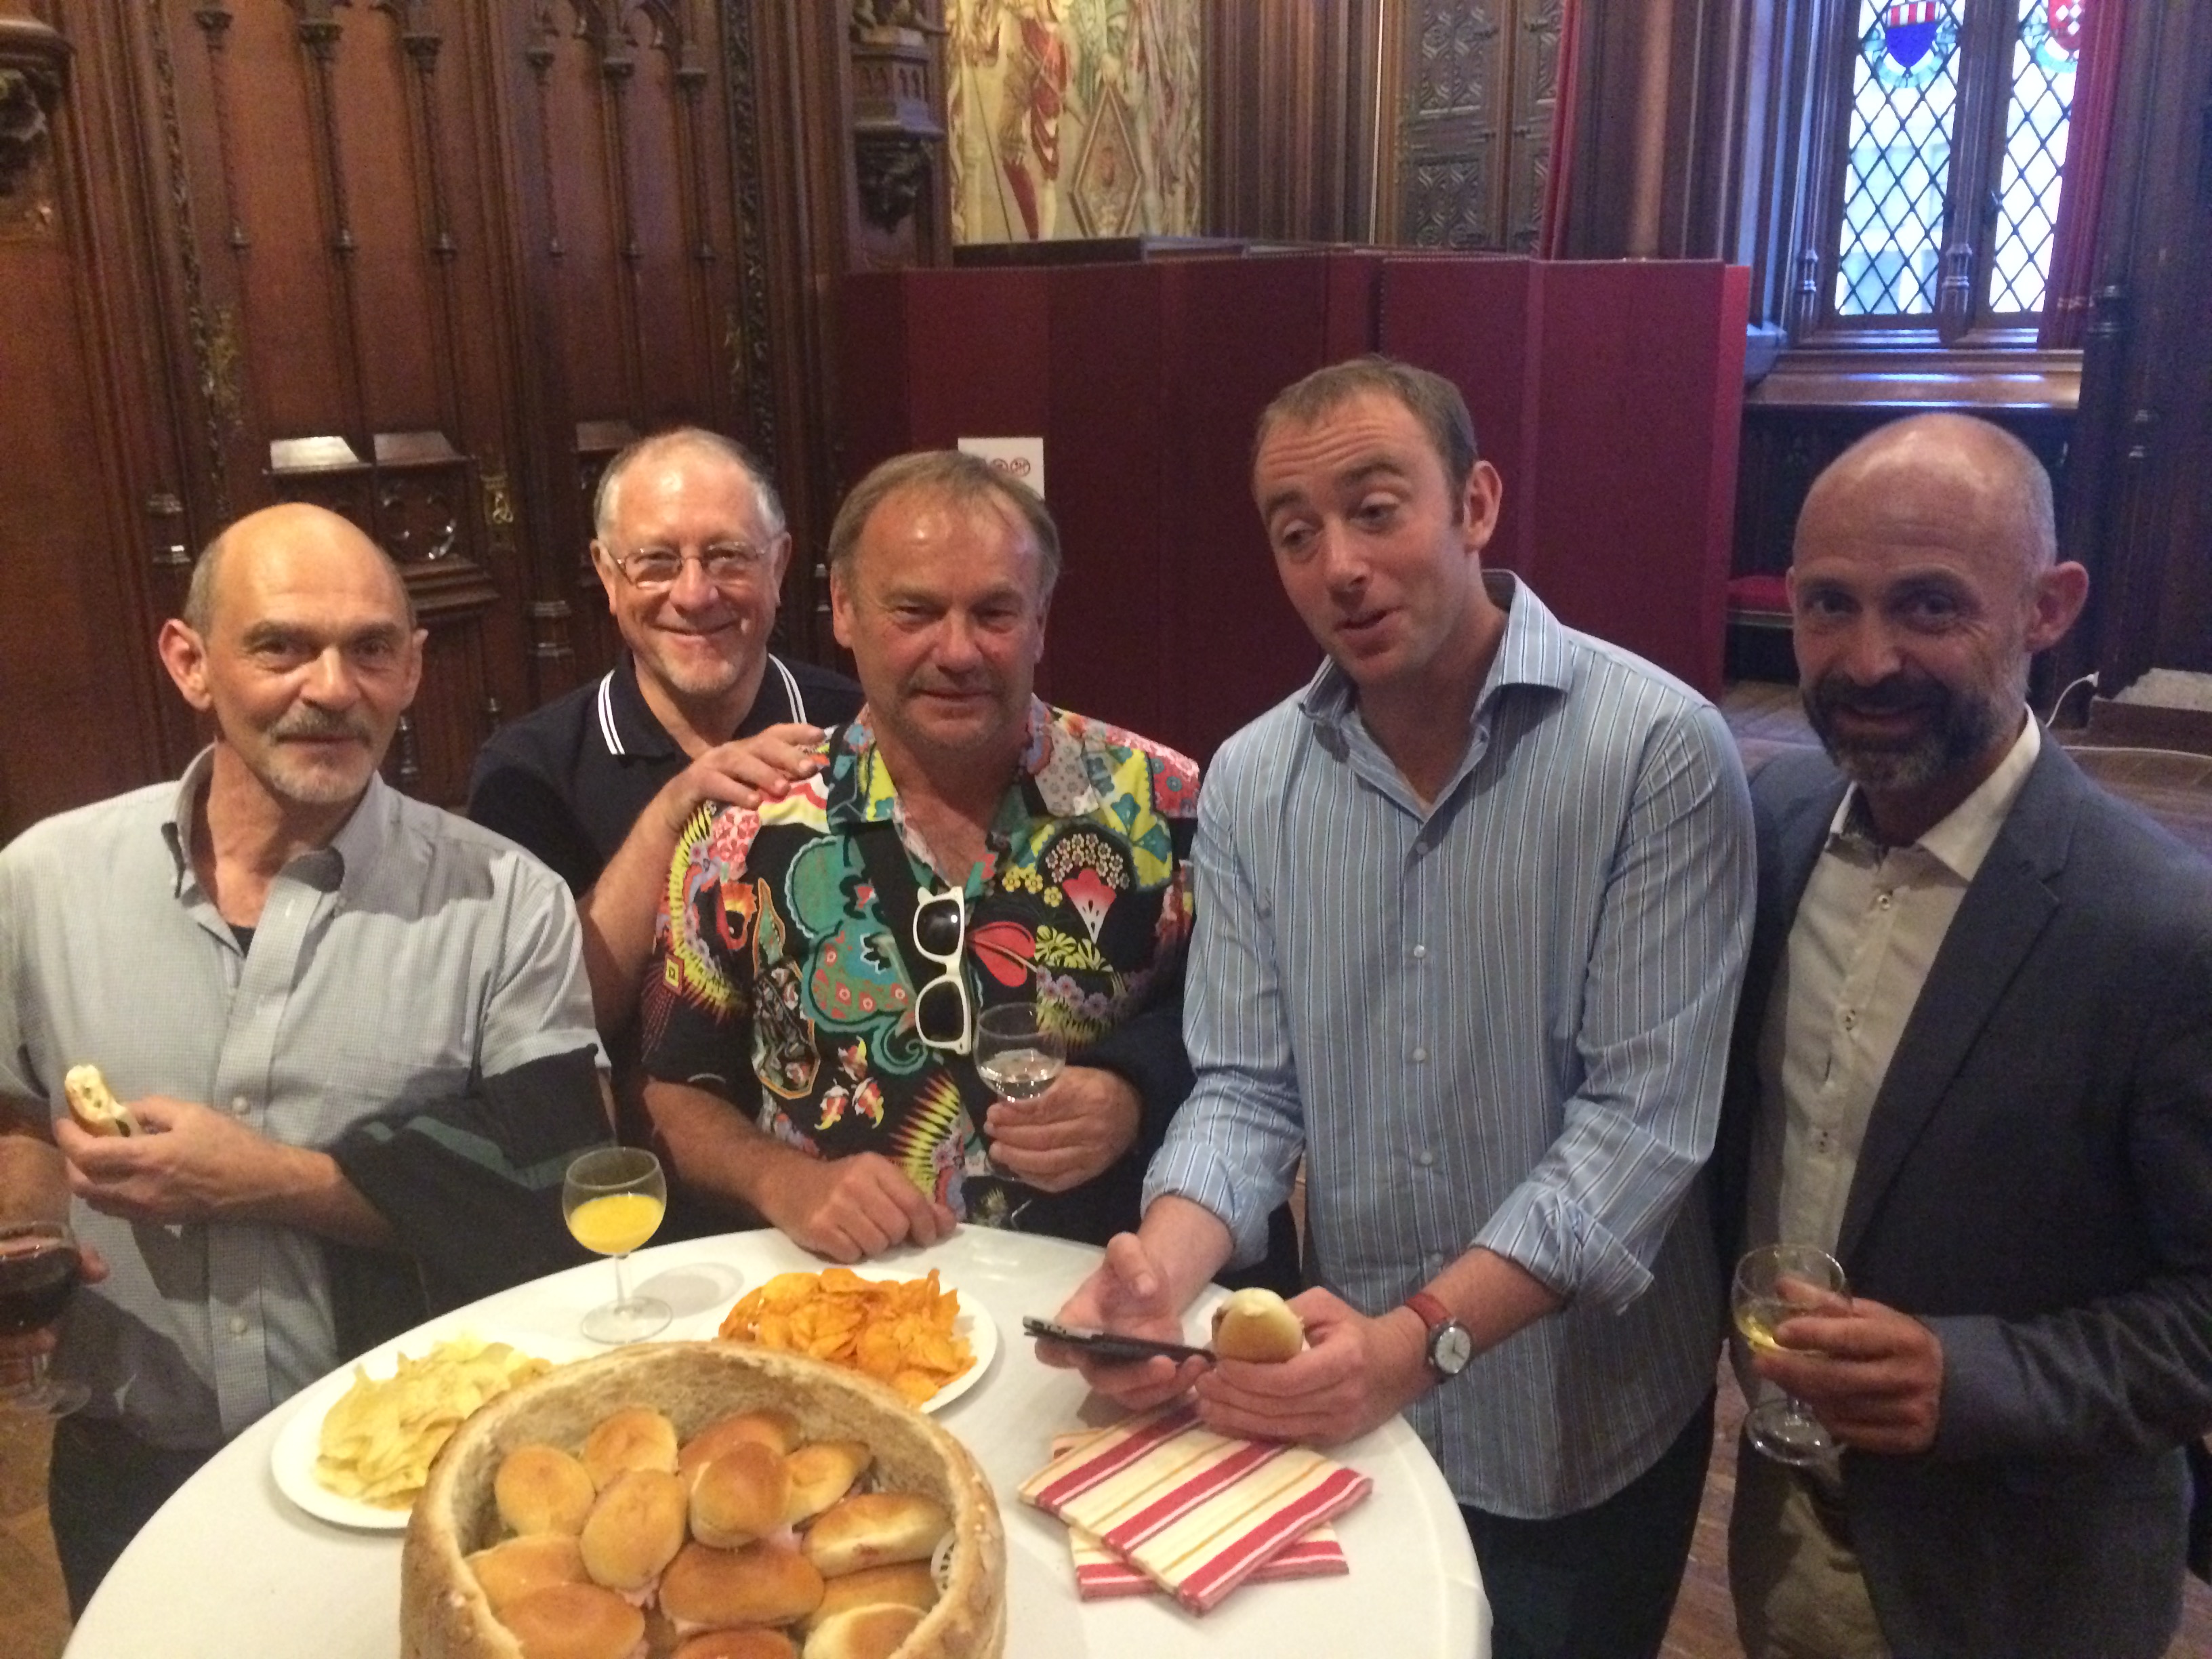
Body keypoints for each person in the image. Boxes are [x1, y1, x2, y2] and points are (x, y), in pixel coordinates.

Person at [1052, 356, 1756, 1659]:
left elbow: (1640, 1124)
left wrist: (1421, 1338)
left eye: (1376, 511)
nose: (1339, 566)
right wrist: (1161, 1271)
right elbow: (1246, 1086)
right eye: (1294, 533)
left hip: (1573, 1419)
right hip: (1351, 1391)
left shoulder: (1651, 747)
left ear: (1473, 503)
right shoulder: (1254, 777)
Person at [0, 503, 607, 1614]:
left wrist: (268, 1180)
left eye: (370, 649)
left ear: (412, 667)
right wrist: (23, 1231)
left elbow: (557, 1178)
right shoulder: (43, 881)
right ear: (190, 662)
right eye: (281, 646)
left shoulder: (503, 898)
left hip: (399, 1470)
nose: (332, 688)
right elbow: (18, 1107)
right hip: (127, 1461)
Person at [1711, 413, 2212, 1659]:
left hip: (2014, 1588)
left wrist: (1970, 1376)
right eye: (1828, 605)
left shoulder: (2165, 930)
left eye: (1929, 607)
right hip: (1781, 1522)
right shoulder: (1769, 823)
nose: (1867, 659)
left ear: (2049, 607)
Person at [636, 450, 1299, 1282]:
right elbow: (674, 1086)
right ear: (845, 610)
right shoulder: (743, 828)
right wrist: (782, 1181)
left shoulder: (1168, 804)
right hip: (854, 1312)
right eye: (915, 611)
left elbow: (1255, 1043)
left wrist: (1135, 1090)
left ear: (1041, 620)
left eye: (994, 612)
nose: (957, 651)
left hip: (1110, 1300)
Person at [466, 428, 861, 1033]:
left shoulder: (855, 722)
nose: (694, 594)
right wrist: (673, 815)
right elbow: (544, 1017)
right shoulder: (529, 771)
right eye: (656, 562)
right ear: (607, 575)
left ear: (779, 564)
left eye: (728, 556)